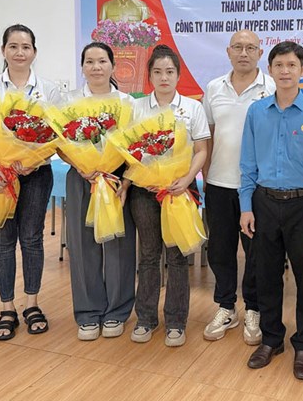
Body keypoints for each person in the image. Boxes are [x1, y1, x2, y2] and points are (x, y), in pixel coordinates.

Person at [239, 41, 303, 380]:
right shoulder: (256, 112)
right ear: (270, 70)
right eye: (279, 65)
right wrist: (246, 207)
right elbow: (247, 165)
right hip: (264, 203)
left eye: (292, 65)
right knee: (266, 274)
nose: (285, 71)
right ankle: (271, 339)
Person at [0, 24, 62, 341]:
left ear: (34, 52)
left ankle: (31, 304)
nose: (19, 52)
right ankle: (7, 308)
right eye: (13, 46)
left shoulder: (49, 89)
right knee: (2, 241)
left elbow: (56, 136)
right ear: (3, 50)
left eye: (25, 46)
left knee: (32, 239)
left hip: (36, 175)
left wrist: (34, 159)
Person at [121, 44, 209, 347]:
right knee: (148, 255)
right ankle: (145, 318)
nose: (164, 77)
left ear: (178, 75)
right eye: (157, 72)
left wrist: (186, 180)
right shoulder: (136, 108)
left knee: (178, 255)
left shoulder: (192, 108)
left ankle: (176, 321)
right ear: (149, 76)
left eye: (169, 71)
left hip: (180, 191)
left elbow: (201, 150)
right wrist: (137, 179)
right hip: (144, 192)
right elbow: (128, 151)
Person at [201, 30, 275, 345]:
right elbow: (207, 134)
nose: (244, 53)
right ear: (228, 52)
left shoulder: (273, 87)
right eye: (238, 47)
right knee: (220, 249)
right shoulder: (213, 88)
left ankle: (254, 308)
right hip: (219, 183)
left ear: (260, 53)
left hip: (258, 186)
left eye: (250, 48)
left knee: (256, 252)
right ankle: (226, 306)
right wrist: (205, 174)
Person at [63, 42, 136, 341]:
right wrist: (80, 166)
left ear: (112, 66)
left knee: (118, 243)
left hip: (116, 178)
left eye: (102, 61)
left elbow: (134, 145)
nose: (96, 67)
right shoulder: (69, 101)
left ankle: (117, 310)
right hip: (82, 176)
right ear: (82, 67)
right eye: (90, 61)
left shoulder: (127, 103)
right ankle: (88, 313)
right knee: (82, 245)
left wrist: (124, 180)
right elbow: (59, 143)